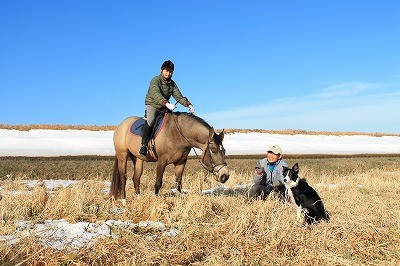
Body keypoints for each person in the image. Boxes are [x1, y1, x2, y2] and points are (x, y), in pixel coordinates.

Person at [138, 60, 195, 156]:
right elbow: (156, 94)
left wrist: (188, 104)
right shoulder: (155, 80)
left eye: (170, 72)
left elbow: (178, 96)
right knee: (151, 120)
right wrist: (166, 103)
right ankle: (143, 145)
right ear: (161, 70)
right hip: (153, 105)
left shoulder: (172, 84)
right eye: (166, 71)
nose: (168, 73)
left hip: (164, 107)